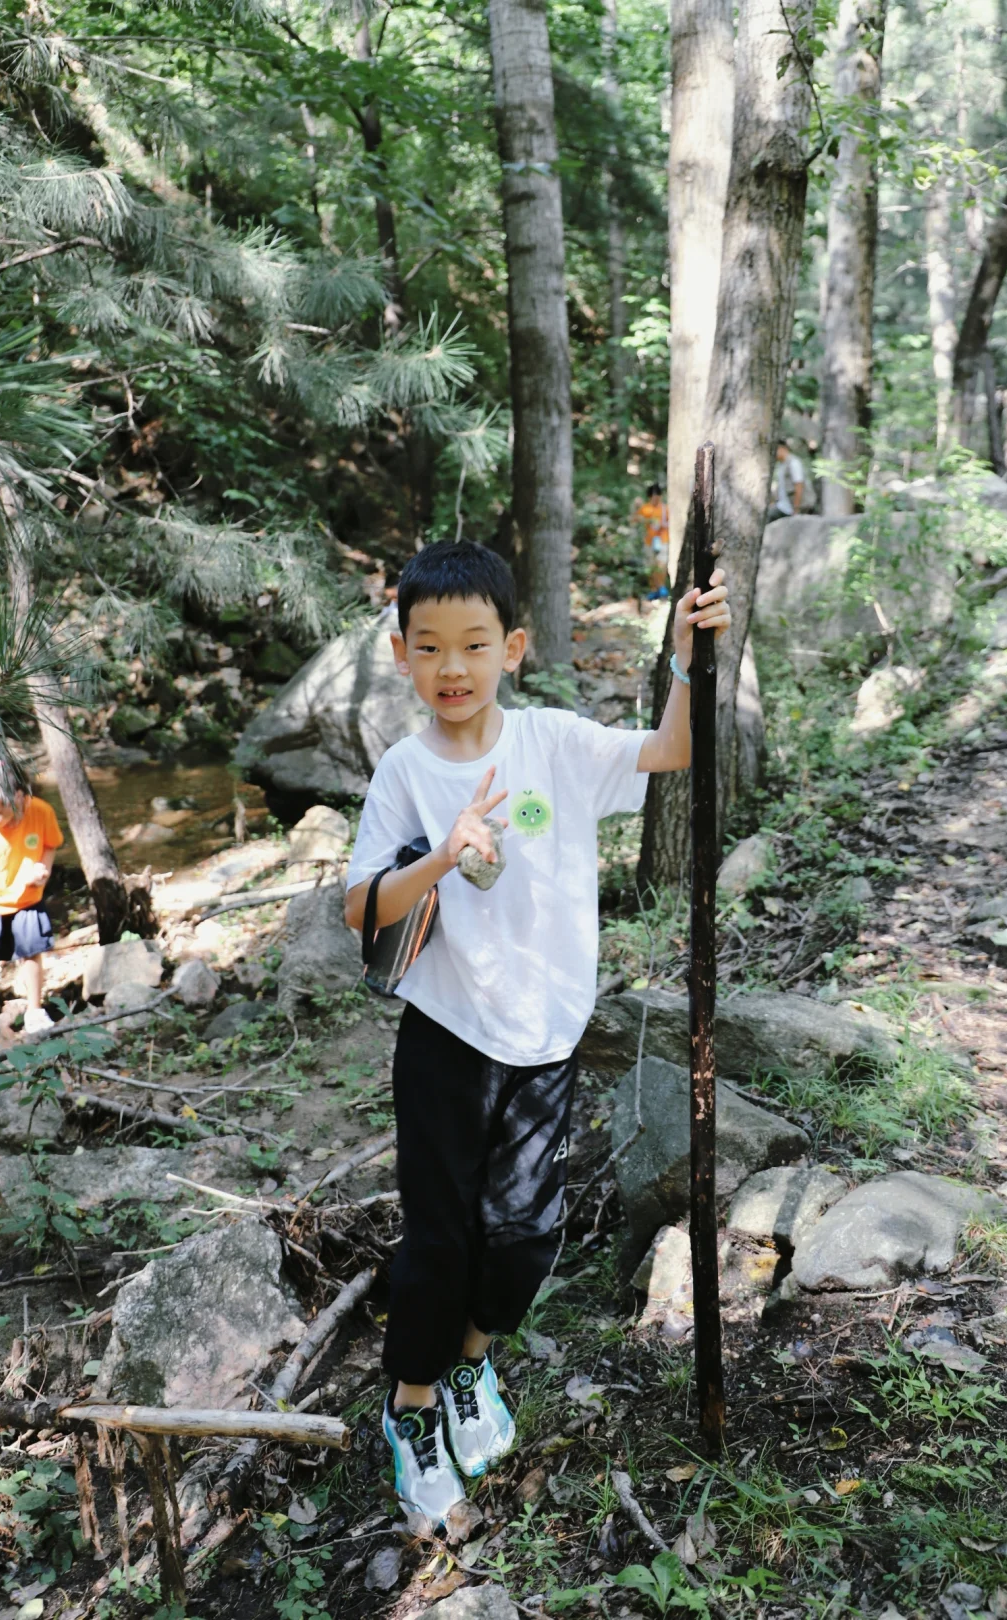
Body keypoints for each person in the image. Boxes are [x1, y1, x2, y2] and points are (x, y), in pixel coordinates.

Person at [344, 541, 730, 1524]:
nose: (453, 669)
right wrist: (441, 855)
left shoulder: (553, 744)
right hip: (444, 1039)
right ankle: (414, 1405)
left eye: (474, 644)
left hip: (544, 1040)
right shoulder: (402, 770)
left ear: (512, 647)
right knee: (439, 1241)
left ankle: (472, 1367)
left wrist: (685, 662)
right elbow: (361, 907)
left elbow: (671, 752)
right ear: (402, 656)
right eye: (429, 648)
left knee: (523, 1236)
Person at [0, 760, 64, 1038]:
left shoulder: (41, 812)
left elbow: (50, 844)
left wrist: (44, 869)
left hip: (26, 898)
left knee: (31, 953)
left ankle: (34, 1010)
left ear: (20, 795)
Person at [634, 482, 669, 598]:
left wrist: (662, 524)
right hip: (649, 541)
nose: (655, 500)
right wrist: (636, 508)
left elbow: (671, 523)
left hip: (662, 540)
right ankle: (654, 589)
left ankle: (662, 588)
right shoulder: (645, 508)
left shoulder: (665, 509)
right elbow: (635, 519)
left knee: (661, 565)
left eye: (657, 497)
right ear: (649, 497)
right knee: (650, 565)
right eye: (653, 497)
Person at [770, 439, 805, 520]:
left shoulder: (794, 462)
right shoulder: (781, 465)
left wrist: (796, 509)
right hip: (782, 505)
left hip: (790, 508)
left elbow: (799, 486)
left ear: (782, 448)